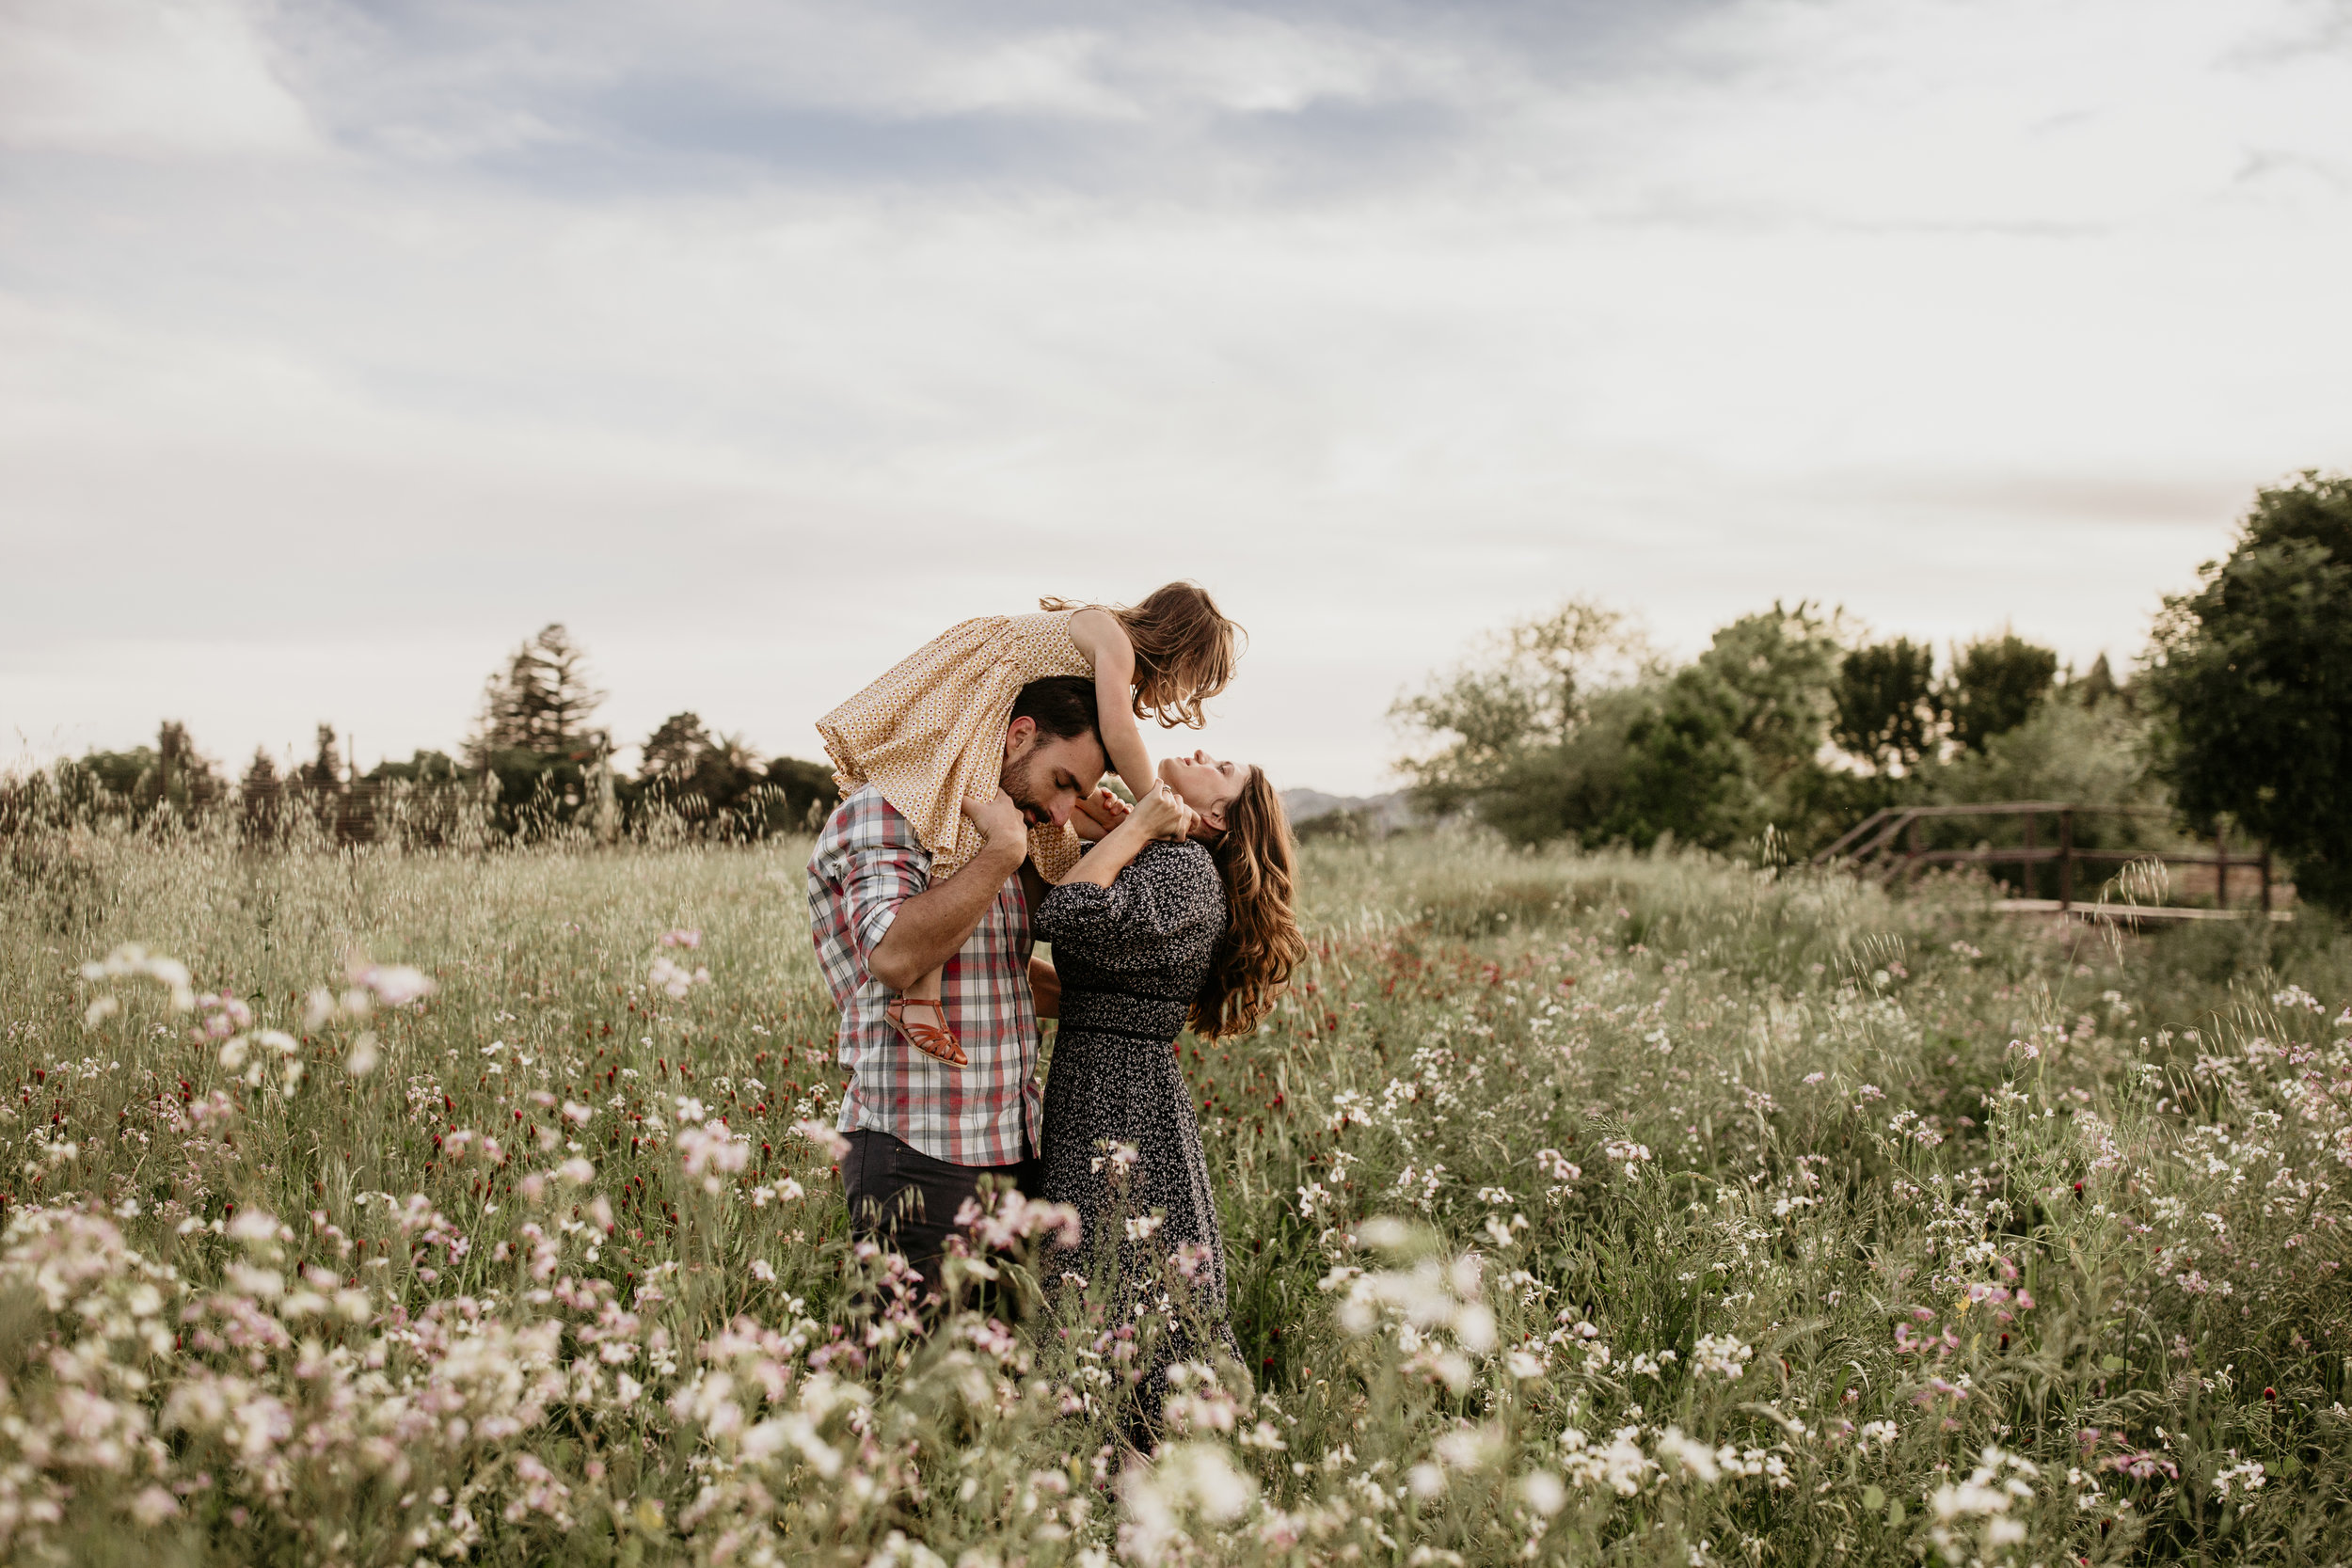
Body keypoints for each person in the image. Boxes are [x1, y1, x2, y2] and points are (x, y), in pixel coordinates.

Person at [817, 584, 1243, 1066]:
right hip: (978, 696)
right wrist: (1155, 803)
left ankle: (921, 997)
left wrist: (1099, 812)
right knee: (950, 833)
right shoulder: (1113, 638)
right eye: (1189, 676)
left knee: (954, 832)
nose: (1181, 690)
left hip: (989, 694)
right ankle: (918, 998)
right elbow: (1120, 731)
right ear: (1177, 648)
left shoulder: (1104, 655)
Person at [1033, 748, 1307, 1437]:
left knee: (1109, 1275)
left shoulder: (1187, 869)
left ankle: (1123, 1463)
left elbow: (1065, 913)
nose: (1200, 751)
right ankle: (1112, 1456)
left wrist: (1131, 831)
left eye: (1221, 767)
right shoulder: (1169, 857)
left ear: (1216, 815)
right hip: (1108, 1077)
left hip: (1118, 1094)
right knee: (1108, 1275)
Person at [806, 674, 1106, 1299]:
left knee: (997, 1387)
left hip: (1012, 1148)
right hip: (917, 1153)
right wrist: (1000, 853)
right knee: (921, 1385)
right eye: (1062, 781)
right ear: (1019, 735)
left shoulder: (1013, 828)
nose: (1060, 809)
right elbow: (892, 953)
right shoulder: (886, 809)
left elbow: (999, 973)